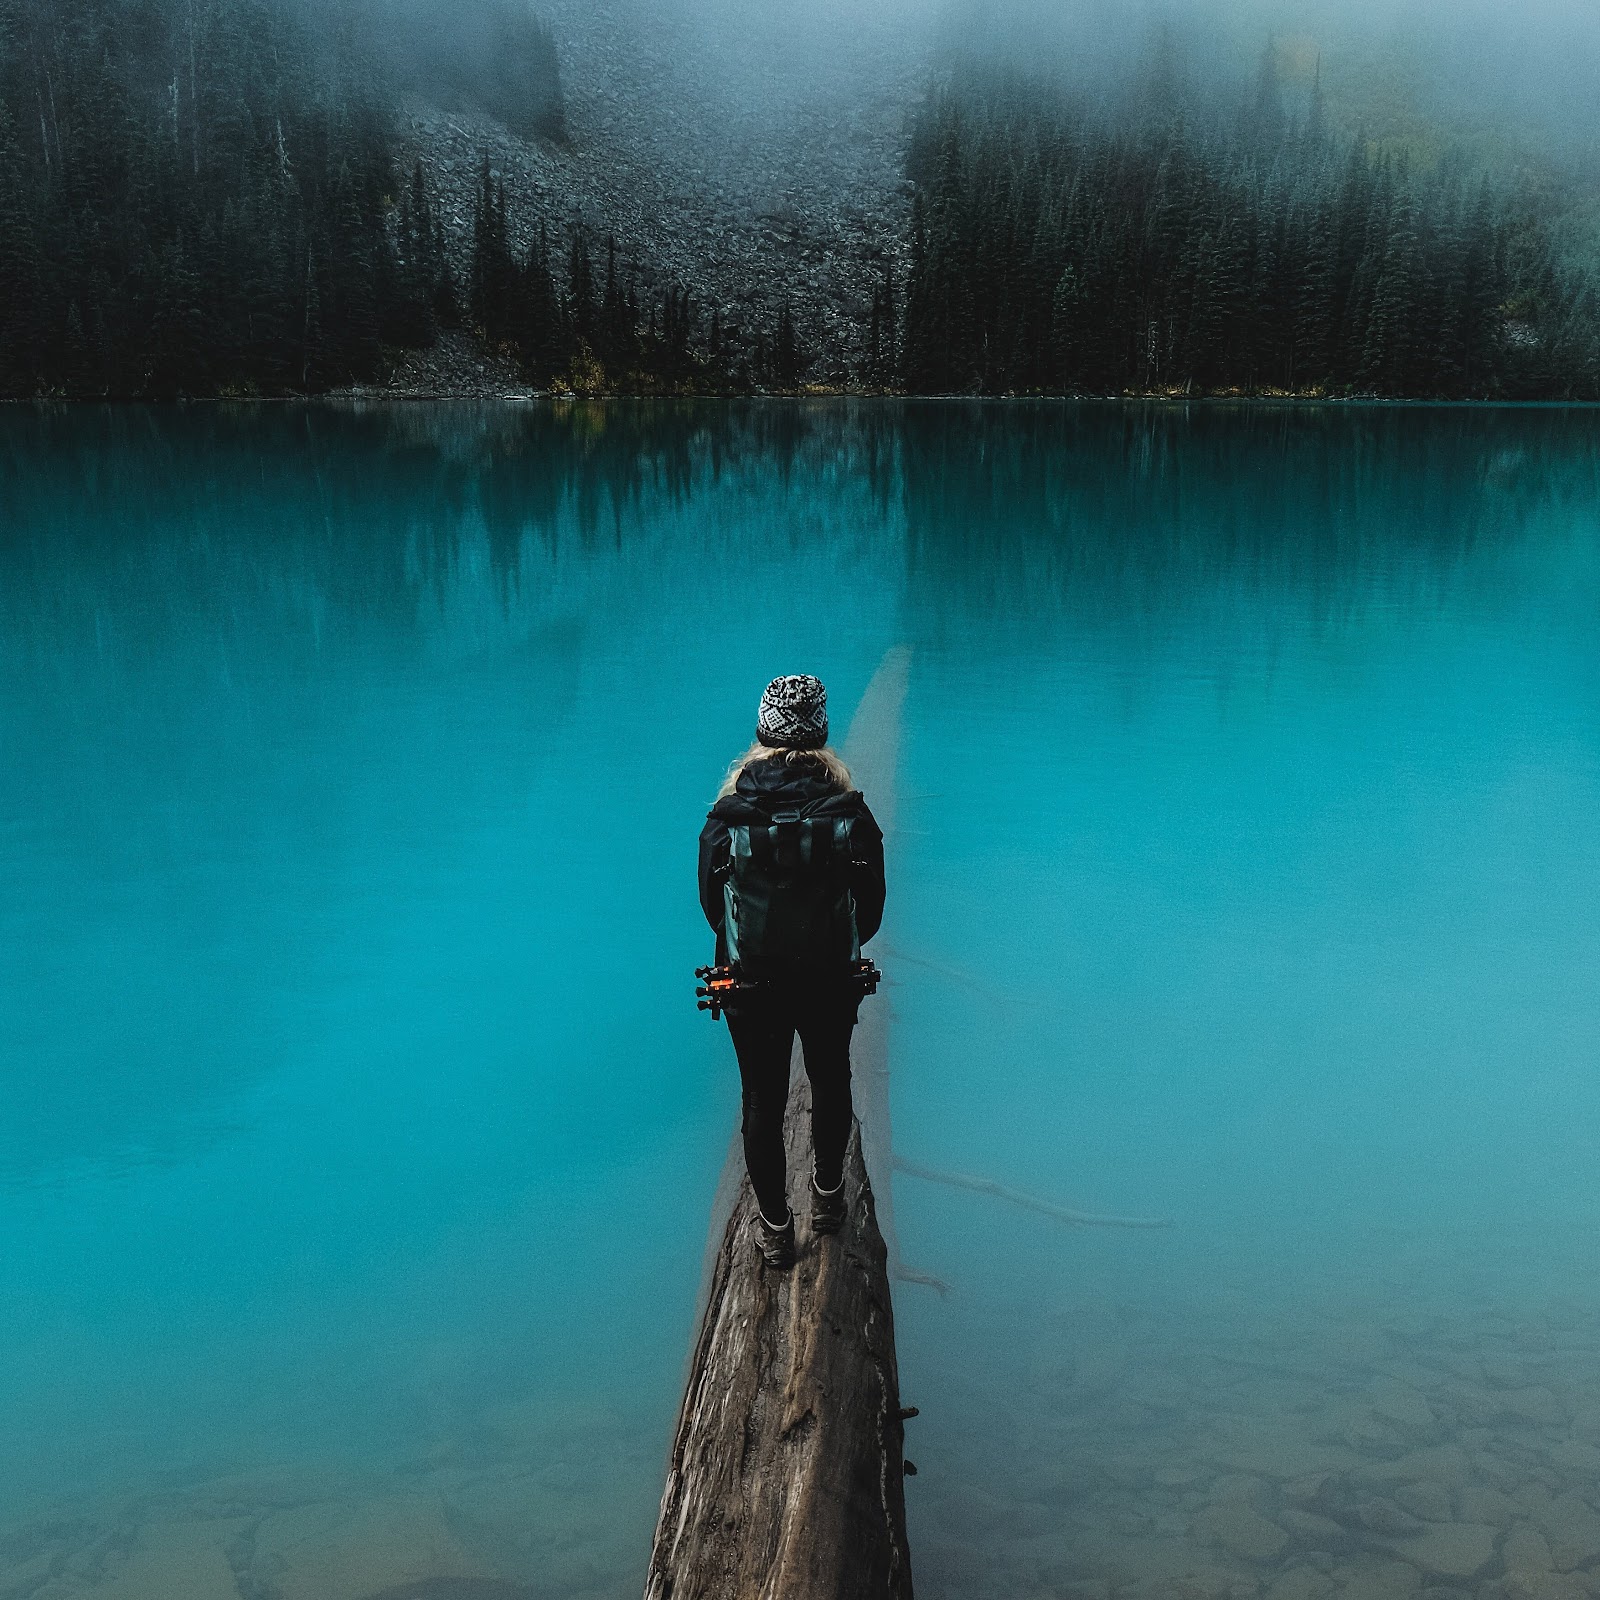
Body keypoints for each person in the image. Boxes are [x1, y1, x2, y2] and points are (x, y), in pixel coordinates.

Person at [698, 674, 886, 1270]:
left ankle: (777, 1230)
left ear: (762, 732)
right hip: (832, 979)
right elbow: (873, 911)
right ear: (821, 733)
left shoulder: (726, 820)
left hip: (751, 985)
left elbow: (711, 908)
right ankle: (829, 1200)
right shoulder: (851, 816)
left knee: (762, 1099)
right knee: (831, 1080)